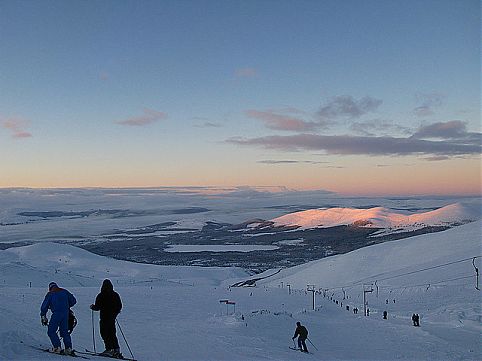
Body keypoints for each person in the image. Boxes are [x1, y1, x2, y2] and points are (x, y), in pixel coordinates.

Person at [40, 282, 77, 355]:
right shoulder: (64, 291)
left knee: (51, 331)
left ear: (50, 288)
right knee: (65, 331)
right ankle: (68, 348)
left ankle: (57, 347)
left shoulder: (50, 294)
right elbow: (73, 301)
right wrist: (66, 305)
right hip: (66, 314)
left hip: (57, 314)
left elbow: (44, 306)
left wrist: (43, 316)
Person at [90, 279, 123, 358]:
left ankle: (109, 349)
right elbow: (119, 306)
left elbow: (97, 307)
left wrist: (92, 307)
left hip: (104, 317)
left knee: (104, 333)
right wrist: (115, 313)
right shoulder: (115, 295)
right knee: (112, 333)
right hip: (112, 318)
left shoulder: (101, 295)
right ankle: (116, 349)